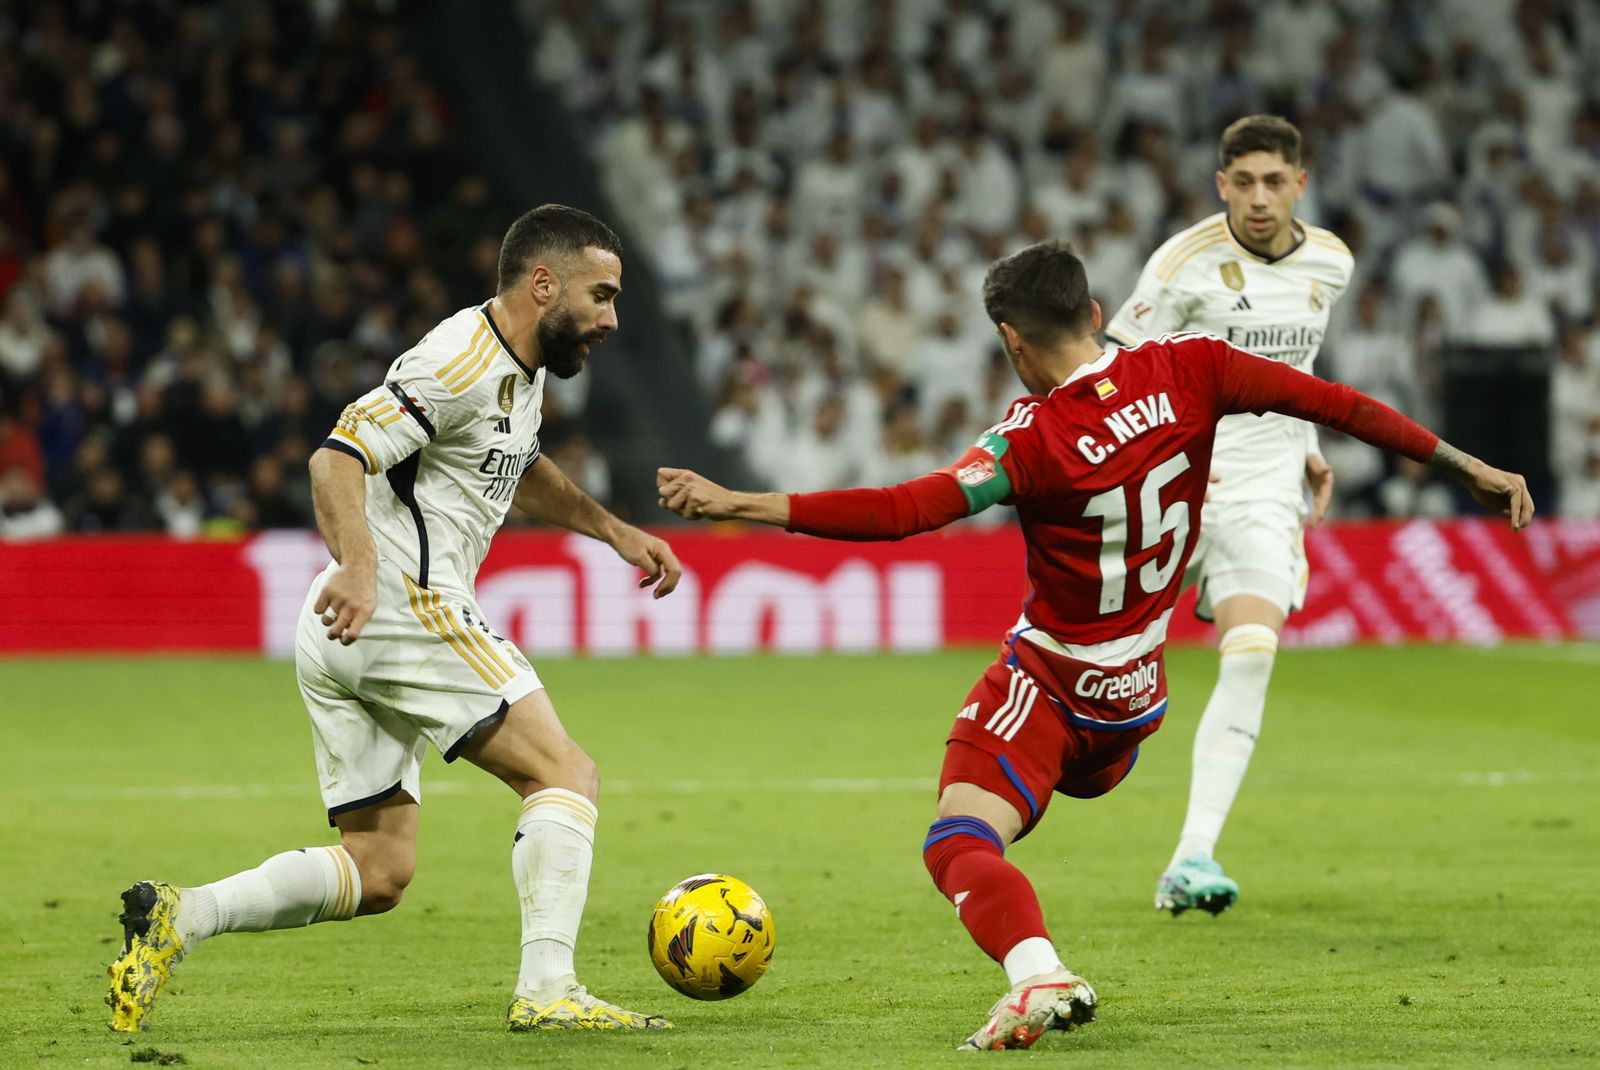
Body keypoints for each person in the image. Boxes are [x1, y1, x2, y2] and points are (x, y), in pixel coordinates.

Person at [657, 241, 1531, 1051]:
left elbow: (904, 510)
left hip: (1053, 687)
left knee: (956, 841)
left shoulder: (1031, 440)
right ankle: (1038, 971)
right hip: (1134, 704)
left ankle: (1039, 976)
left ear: (1010, 338)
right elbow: (1337, 404)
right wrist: (1469, 467)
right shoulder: (1195, 366)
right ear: (1098, 308)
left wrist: (738, 504)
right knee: (991, 814)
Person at [108, 205, 684, 1034]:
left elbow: (517, 466)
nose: (611, 318)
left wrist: (615, 531)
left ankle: (182, 915)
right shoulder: (459, 359)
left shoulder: (522, 368)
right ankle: (550, 990)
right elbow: (337, 455)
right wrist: (361, 567)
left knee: (377, 871)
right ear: (544, 282)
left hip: (346, 626)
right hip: (398, 602)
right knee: (565, 775)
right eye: (601, 295)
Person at [1103, 115, 1354, 915]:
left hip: (1263, 490)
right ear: (1221, 185)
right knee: (1101, 665)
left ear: (1300, 184)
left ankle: (1192, 855)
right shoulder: (1183, 265)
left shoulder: (1331, 264)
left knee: (1250, 653)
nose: (1258, 197)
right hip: (1176, 483)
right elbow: (1116, 365)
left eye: (1274, 180)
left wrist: (1305, 442)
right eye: (1242, 181)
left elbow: (1297, 369)